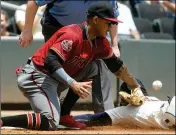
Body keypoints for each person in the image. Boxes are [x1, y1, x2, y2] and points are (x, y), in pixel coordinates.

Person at [1, 3, 144, 130]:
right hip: (37, 76)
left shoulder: (100, 42)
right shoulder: (72, 34)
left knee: (93, 68)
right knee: (50, 122)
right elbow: (51, 61)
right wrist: (72, 83)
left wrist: (135, 86)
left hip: (53, 79)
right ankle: (2, 121)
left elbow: (117, 66)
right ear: (95, 20)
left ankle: (64, 113)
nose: (111, 27)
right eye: (108, 23)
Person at [19, 0, 120, 114]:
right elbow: (34, 2)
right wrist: (27, 30)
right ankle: (52, 106)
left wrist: (114, 45)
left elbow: (112, 17)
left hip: (91, 29)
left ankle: (104, 113)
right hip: (56, 26)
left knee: (97, 65)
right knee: (55, 69)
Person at [74, 81, 175, 130]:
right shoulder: (152, 99)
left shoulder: (124, 111)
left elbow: (92, 118)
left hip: (168, 113)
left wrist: (64, 120)